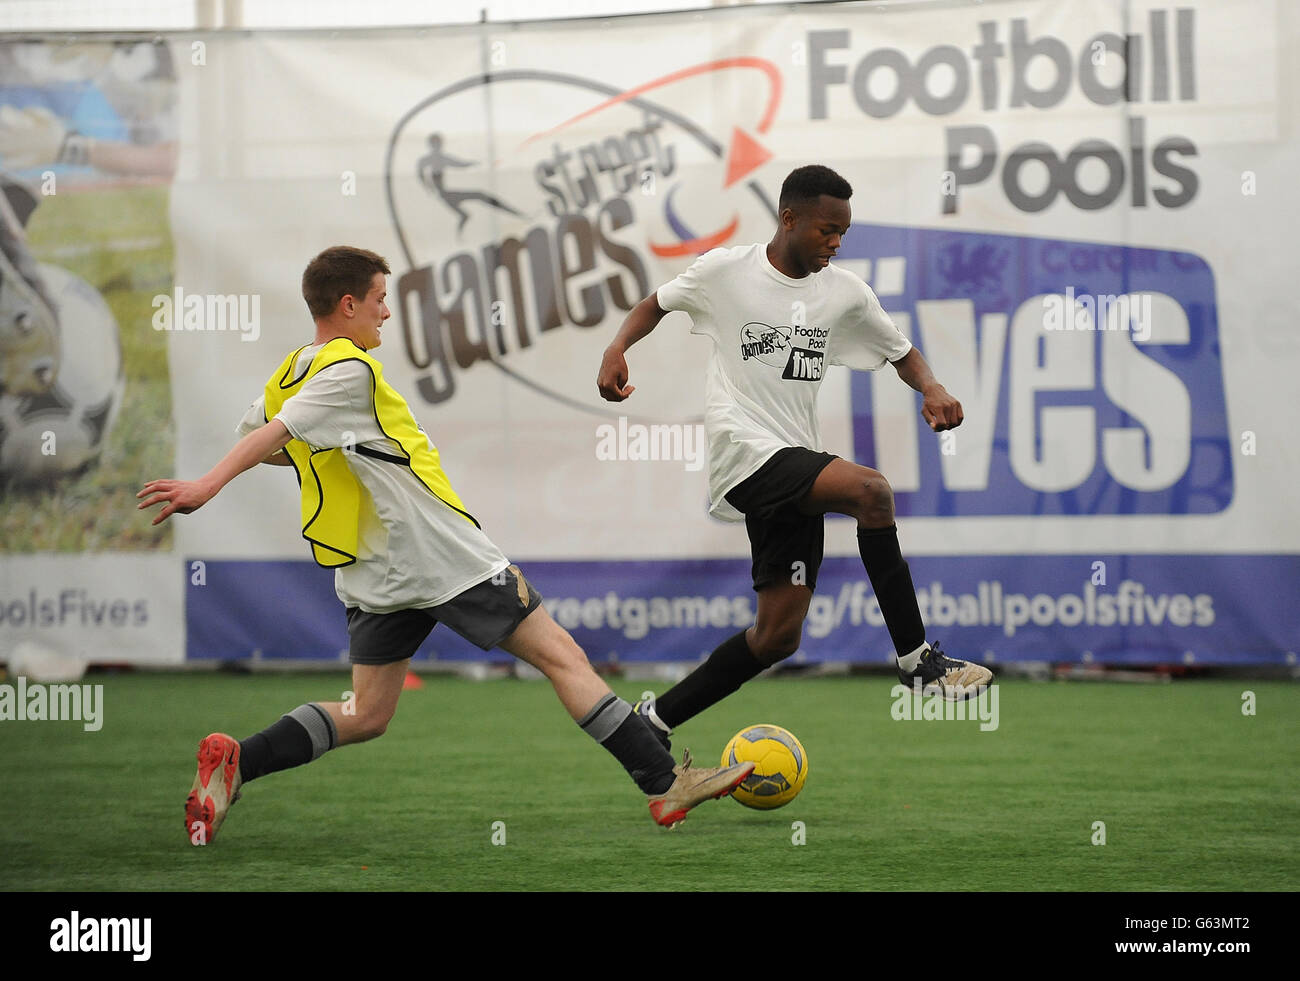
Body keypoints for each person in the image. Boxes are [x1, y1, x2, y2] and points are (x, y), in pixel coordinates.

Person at [137, 246, 752, 844]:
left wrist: (247, 465)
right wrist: (206, 487)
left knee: (368, 714)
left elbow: (272, 442)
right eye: (379, 300)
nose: (385, 312)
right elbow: (277, 434)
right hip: (439, 554)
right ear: (347, 304)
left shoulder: (294, 369)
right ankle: (665, 781)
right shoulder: (349, 370)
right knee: (563, 657)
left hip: (372, 569)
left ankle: (238, 761)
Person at [596, 165, 993, 750]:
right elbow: (655, 303)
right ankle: (916, 661)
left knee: (777, 637)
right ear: (789, 219)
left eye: (844, 234)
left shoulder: (844, 294)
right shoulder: (726, 272)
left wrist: (931, 388)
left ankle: (650, 725)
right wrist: (616, 347)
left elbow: (901, 351)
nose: (836, 242)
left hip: (792, 462)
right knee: (871, 492)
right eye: (827, 230)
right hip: (744, 455)